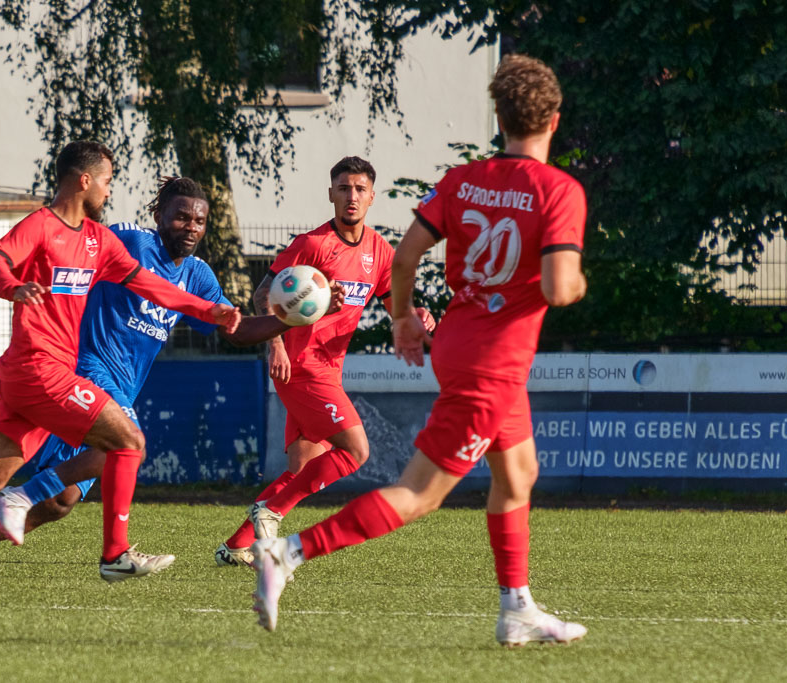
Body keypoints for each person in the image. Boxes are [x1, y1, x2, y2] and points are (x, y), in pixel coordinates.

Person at [249, 54, 589, 647]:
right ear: (554, 121)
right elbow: (561, 289)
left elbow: (403, 259)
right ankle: (289, 552)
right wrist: (579, 279)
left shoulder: (464, 181)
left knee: (519, 473)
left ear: (499, 117)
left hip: (459, 345)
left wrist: (403, 318)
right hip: (494, 363)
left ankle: (517, 607)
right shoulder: (558, 190)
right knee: (419, 494)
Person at [0, 177, 343, 583]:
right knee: (126, 443)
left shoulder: (197, 275)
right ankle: (82, 536)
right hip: (83, 371)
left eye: (199, 220)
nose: (191, 227)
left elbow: (239, 332)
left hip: (119, 383)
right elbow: (77, 251)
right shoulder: (131, 242)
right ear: (159, 215)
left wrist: (290, 317)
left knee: (59, 503)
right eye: (181, 217)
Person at [0, 144, 240, 584]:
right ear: (84, 181)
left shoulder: (99, 240)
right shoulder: (41, 225)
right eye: (108, 180)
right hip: (41, 368)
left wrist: (208, 311)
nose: (109, 189)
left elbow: (151, 286)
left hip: (42, 378)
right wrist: (13, 287)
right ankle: (113, 553)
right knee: (128, 442)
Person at [214, 156, 435, 568]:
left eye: (359, 189)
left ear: (371, 197)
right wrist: (275, 343)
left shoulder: (379, 252)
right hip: (300, 366)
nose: (351, 196)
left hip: (328, 369)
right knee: (356, 450)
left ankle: (236, 545)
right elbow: (265, 294)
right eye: (343, 188)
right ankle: (270, 513)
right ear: (331, 194)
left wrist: (416, 318)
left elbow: (396, 309)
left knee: (303, 470)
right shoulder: (312, 245)